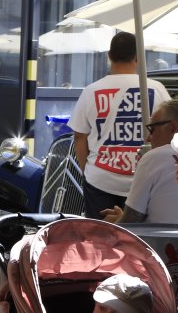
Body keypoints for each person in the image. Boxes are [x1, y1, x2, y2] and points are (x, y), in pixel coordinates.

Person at [68, 32, 169, 219]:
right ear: (138, 57)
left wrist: (86, 171)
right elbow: (170, 133)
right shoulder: (156, 89)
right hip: (145, 180)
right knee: (141, 236)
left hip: (100, 180)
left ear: (109, 55)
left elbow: (79, 136)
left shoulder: (91, 91)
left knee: (100, 235)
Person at [100, 99, 178, 226]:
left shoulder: (153, 158)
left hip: (166, 238)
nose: (148, 138)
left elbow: (131, 221)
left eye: (152, 129)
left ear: (172, 128)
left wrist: (113, 225)